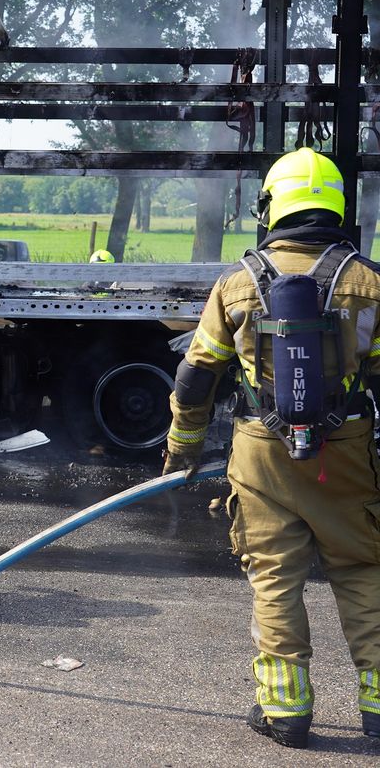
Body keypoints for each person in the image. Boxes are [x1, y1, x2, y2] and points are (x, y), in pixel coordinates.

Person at [163, 147, 380, 749]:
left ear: (271, 207)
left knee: (275, 576)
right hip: (345, 451)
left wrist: (182, 450)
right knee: (363, 569)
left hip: (261, 452)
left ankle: (285, 710)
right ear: (334, 205)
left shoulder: (238, 283)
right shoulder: (369, 283)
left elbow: (197, 376)